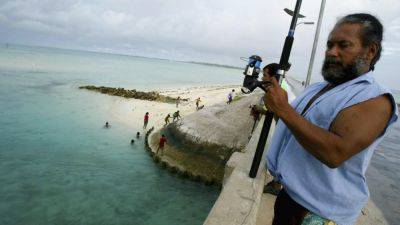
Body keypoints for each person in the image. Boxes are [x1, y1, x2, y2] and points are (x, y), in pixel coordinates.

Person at [262, 13, 398, 225]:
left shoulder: (376, 99)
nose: (331, 52)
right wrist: (275, 108)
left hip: (317, 214)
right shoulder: (318, 87)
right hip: (289, 197)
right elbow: (293, 130)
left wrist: (284, 109)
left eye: (343, 45)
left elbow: (335, 153)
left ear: (371, 50)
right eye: (329, 45)